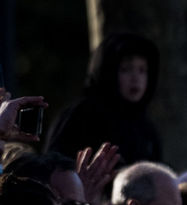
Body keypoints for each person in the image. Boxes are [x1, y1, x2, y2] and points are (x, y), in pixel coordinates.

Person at [47, 32, 163, 166]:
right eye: (125, 69)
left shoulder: (146, 128)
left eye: (142, 70)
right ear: (109, 72)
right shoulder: (81, 116)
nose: (135, 78)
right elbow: (55, 167)